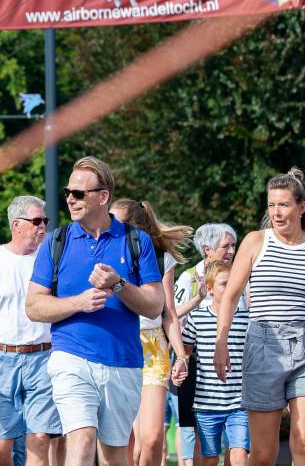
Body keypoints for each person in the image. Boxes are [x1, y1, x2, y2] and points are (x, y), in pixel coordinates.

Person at [25, 156, 164, 466]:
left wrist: (118, 285)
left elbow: (155, 305)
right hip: (71, 358)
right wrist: (78, 302)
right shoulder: (55, 242)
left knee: (115, 455)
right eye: (68, 192)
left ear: (103, 197)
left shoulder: (135, 240)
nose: (70, 200)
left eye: (79, 194)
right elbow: (33, 306)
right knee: (82, 437)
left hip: (123, 362)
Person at [214, 168, 305, 465]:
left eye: (284, 205)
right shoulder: (255, 242)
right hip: (264, 345)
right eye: (271, 205)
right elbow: (230, 295)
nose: (276, 213)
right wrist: (221, 340)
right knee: (264, 454)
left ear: (301, 208)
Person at [0, 196, 61, 466]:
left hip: (43, 357)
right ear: (16, 225)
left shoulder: (49, 259)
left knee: (40, 439)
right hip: (0, 359)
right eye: (37, 221)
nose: (43, 226)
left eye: (45, 220)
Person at [111, 199, 190, 466]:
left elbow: (169, 312)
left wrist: (181, 355)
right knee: (126, 441)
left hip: (153, 347)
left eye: (116, 222)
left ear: (135, 227)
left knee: (153, 437)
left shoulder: (160, 258)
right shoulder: (106, 253)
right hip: (120, 343)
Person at [172, 223, 237, 465]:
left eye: (233, 245)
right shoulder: (189, 278)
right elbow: (173, 317)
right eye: (225, 246)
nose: (231, 251)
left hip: (234, 361)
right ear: (207, 250)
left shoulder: (239, 276)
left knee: (237, 435)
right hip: (195, 360)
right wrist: (199, 299)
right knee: (199, 431)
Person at [175, 260, 249, 466]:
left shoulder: (247, 319)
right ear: (209, 289)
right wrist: (180, 365)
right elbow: (186, 354)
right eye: (224, 283)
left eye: (234, 282)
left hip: (240, 402)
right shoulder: (197, 318)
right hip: (206, 402)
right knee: (209, 458)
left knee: (239, 455)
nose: (231, 287)